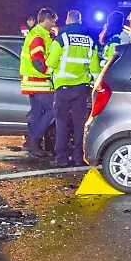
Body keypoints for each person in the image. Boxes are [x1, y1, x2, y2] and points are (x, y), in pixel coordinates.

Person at [46, 10, 101, 167]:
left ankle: (61, 158)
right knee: (79, 124)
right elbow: (95, 69)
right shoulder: (89, 41)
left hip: (62, 88)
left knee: (61, 123)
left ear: (68, 21)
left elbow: (50, 63)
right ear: (80, 21)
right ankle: (78, 157)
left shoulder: (62, 39)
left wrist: (50, 74)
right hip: (81, 89)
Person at [19, 8, 57, 158]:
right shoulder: (38, 36)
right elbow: (38, 62)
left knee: (36, 113)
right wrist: (51, 73)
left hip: (32, 81)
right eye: (52, 21)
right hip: (38, 81)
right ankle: (34, 139)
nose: (53, 24)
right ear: (46, 20)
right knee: (54, 110)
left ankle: (33, 144)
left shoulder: (39, 34)